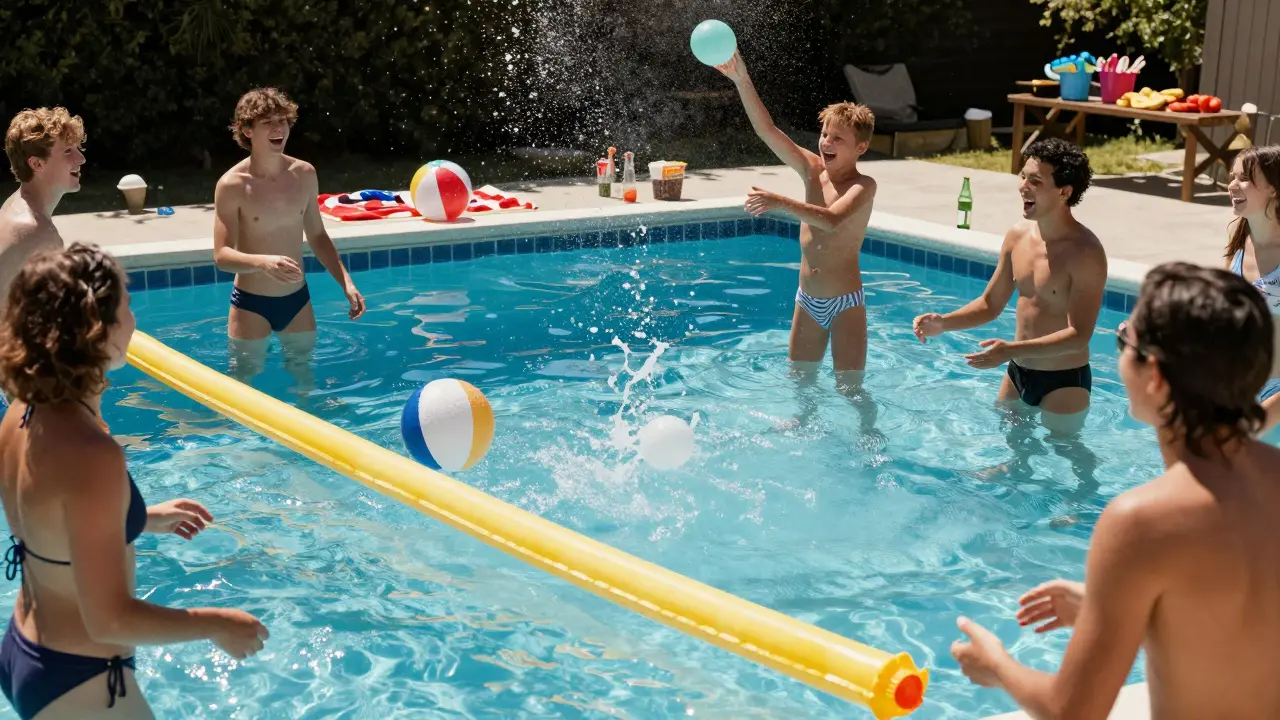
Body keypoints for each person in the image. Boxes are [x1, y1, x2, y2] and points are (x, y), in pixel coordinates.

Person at [952, 262, 1280, 719]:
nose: (1118, 352)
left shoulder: (1142, 520)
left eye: (1125, 340)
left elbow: (1072, 711)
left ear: (1156, 377)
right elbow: (1240, 628)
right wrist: (1120, 611)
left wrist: (996, 666)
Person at [0, 244, 269, 719]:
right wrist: (218, 623)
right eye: (127, 305)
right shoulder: (92, 454)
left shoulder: (23, 412)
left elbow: (52, 518)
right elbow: (109, 619)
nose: (135, 318)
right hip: (81, 678)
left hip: (26, 647)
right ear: (97, 328)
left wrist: (141, 517)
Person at [913, 138, 1106, 438]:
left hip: (1064, 381)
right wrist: (944, 323)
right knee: (1011, 446)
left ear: (1064, 192)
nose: (1023, 187)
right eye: (1023, 176)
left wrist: (1010, 350)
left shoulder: (1085, 253)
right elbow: (990, 304)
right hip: (1017, 373)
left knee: (1068, 456)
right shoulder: (1017, 236)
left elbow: (1079, 336)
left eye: (1035, 181)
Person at [714, 51, 877, 383]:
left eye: (838, 138)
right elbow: (767, 130)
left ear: (860, 148)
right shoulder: (812, 170)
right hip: (807, 300)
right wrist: (741, 79)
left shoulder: (863, 186)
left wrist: (779, 201)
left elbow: (831, 220)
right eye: (825, 134)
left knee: (850, 388)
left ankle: (862, 417)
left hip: (845, 302)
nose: (827, 142)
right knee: (800, 381)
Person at [213, 88, 365, 396]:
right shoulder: (232, 185)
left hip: (297, 301)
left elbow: (318, 235)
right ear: (247, 130)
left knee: (306, 383)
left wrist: (346, 283)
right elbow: (222, 256)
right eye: (267, 122)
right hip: (250, 304)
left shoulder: (304, 174)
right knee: (242, 384)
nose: (278, 128)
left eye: (282, 121)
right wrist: (262, 263)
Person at [0, 108, 85, 418]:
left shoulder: (16, 207)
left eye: (78, 149)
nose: (80, 159)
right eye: (68, 151)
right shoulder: (36, 231)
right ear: (37, 164)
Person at [1223, 145, 1280, 437]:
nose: (1232, 185)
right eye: (1232, 177)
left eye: (1244, 179)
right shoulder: (1239, 243)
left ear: (1274, 188)